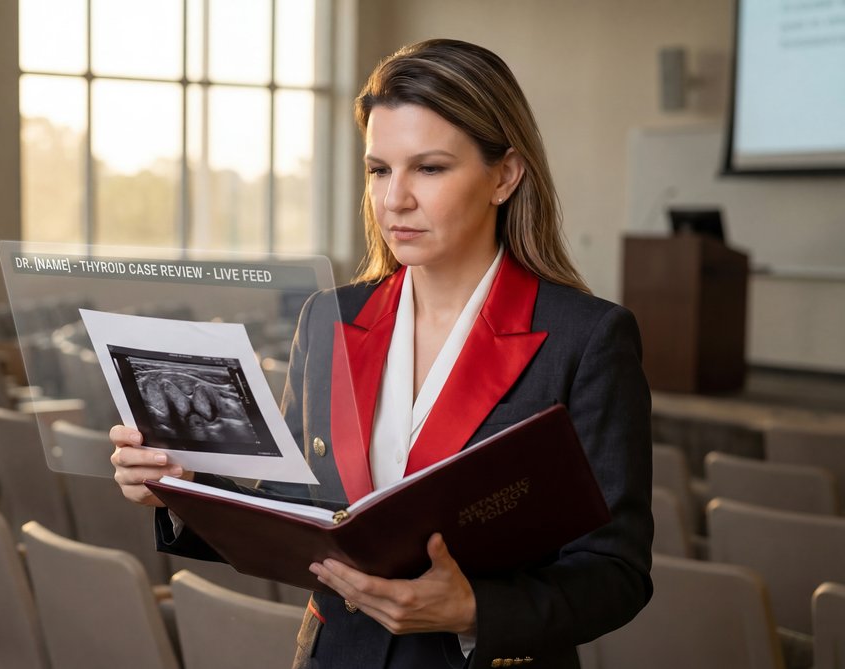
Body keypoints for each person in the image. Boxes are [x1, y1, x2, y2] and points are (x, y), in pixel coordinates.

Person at [110, 38, 652, 669]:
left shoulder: (587, 339)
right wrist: (186, 487)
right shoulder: (330, 318)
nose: (395, 199)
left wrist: (474, 609)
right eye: (378, 170)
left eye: (429, 168)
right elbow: (296, 510)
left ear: (504, 175)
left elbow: (616, 573)